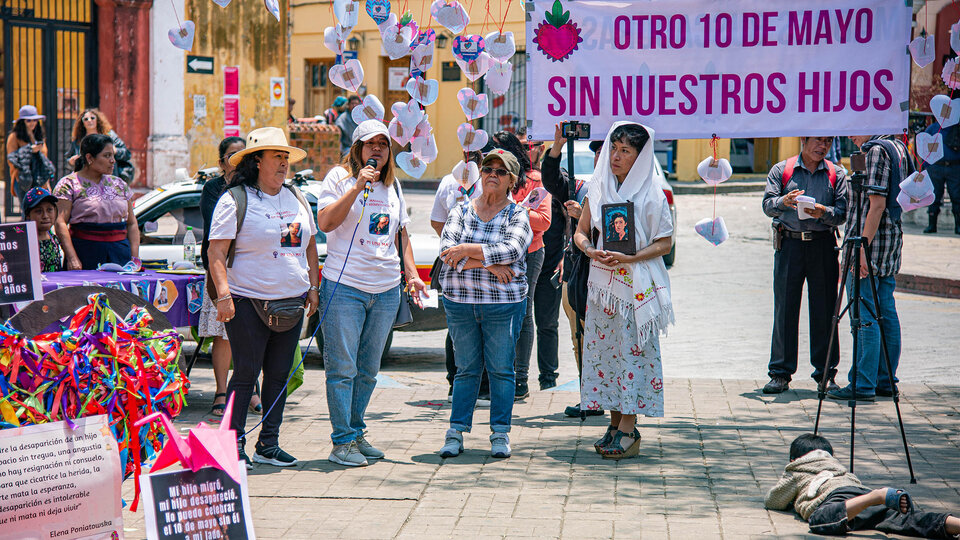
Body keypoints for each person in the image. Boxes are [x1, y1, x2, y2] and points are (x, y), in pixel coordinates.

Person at [316, 119, 427, 467]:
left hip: (385, 291)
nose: (377, 148)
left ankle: (355, 431)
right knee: (342, 368)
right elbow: (325, 223)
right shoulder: (339, 178)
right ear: (357, 149)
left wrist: (411, 275)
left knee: (367, 369)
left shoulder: (393, 187)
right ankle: (341, 443)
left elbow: (402, 235)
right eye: (369, 143)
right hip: (344, 287)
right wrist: (357, 187)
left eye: (383, 143)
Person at [207, 126, 320, 468]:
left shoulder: (297, 198)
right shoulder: (235, 200)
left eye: (286, 157)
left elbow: (310, 246)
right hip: (246, 302)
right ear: (257, 161)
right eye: (277, 157)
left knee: (279, 376)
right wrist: (223, 295)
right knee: (245, 374)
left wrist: (313, 287)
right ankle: (233, 445)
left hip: (291, 304)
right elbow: (215, 252)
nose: (284, 164)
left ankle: (268, 444)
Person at [572, 122, 674, 459]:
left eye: (625, 151)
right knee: (605, 354)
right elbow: (581, 232)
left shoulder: (652, 193)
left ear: (640, 156)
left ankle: (629, 426)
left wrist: (631, 257)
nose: (615, 156)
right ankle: (614, 423)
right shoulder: (597, 186)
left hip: (635, 289)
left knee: (631, 354)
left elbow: (664, 242)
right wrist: (589, 250)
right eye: (613, 148)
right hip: (602, 285)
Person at [437, 149, 532, 459]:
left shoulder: (517, 213)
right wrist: (489, 265)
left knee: (502, 370)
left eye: (501, 171)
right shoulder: (461, 209)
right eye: (488, 167)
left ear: (511, 181)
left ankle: (500, 433)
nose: (492, 173)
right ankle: (456, 432)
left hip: (502, 305)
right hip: (461, 303)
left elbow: (513, 251)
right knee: (465, 370)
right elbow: (447, 252)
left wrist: (467, 250)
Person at [761, 136, 848, 394]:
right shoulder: (782, 170)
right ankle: (780, 373)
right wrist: (783, 202)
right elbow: (767, 205)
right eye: (818, 141)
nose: (822, 147)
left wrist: (824, 212)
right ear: (803, 140)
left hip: (823, 245)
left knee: (824, 311)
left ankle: (825, 374)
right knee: (785, 308)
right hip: (790, 245)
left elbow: (842, 212)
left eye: (827, 142)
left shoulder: (836, 173)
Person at [826, 135, 909, 402]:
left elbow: (877, 204)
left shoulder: (875, 151)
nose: (850, 135)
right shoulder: (897, 146)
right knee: (885, 310)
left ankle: (863, 383)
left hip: (870, 246)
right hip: (889, 242)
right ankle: (885, 380)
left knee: (865, 315)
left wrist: (861, 247)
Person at [765, 433, 960, 538]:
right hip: (859, 496)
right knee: (913, 520)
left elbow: (774, 500)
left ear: (794, 458)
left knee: (820, 520)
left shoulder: (797, 468)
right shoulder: (838, 467)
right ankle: (956, 524)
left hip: (836, 497)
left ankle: (876, 496)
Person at [541, 127, 604, 417]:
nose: (606, 159)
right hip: (578, 271)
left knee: (607, 339)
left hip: (612, 274)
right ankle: (589, 396)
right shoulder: (582, 186)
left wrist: (586, 219)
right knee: (579, 338)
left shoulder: (632, 192)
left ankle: (611, 396)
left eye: (615, 153)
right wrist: (556, 147)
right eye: (601, 153)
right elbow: (552, 180)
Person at [199, 136, 262, 417]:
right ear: (222, 162)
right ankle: (221, 391)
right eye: (231, 156)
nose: (237, 161)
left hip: (251, 270)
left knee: (252, 336)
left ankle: (252, 392)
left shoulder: (255, 187)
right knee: (223, 335)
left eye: (242, 156)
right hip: (220, 271)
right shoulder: (214, 189)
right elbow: (221, 226)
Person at [492, 131, 551, 400]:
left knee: (524, 313)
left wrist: (515, 208)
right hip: (495, 255)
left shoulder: (536, 181)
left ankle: (521, 379)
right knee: (495, 312)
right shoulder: (487, 181)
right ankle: (496, 375)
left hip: (528, 253)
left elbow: (543, 221)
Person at [430, 150, 490, 403]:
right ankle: (480, 386)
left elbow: (436, 222)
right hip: (480, 264)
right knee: (482, 324)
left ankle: (456, 382)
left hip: (456, 261)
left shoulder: (446, 180)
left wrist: (452, 244)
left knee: (456, 324)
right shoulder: (487, 184)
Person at [53, 134, 139, 270]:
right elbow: (60, 222)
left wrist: (135, 259)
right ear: (89, 158)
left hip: (120, 254)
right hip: (86, 252)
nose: (113, 161)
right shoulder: (68, 184)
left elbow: (132, 223)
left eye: (113, 156)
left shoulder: (119, 184)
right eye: (107, 156)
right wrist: (72, 258)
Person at [521, 130, 564, 392]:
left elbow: (570, 219)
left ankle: (548, 379)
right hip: (523, 259)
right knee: (522, 319)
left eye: (531, 146)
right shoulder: (513, 180)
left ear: (541, 148)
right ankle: (518, 377)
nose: (527, 150)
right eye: (522, 146)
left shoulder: (555, 180)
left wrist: (563, 257)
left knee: (547, 322)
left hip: (551, 260)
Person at [65, 108, 134, 184]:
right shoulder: (78, 141)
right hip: (86, 181)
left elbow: (127, 153)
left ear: (97, 120)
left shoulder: (110, 136)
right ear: (82, 123)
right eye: (86, 119)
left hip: (109, 180)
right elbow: (68, 161)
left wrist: (115, 151)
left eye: (92, 118)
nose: (89, 120)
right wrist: (71, 162)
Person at [6, 105, 54, 207]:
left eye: (35, 120)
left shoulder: (39, 136)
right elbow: (11, 159)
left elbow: (44, 160)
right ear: (22, 122)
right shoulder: (14, 136)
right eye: (28, 120)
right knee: (27, 211)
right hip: (23, 180)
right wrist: (29, 150)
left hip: (40, 180)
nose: (32, 123)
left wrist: (47, 182)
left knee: (40, 210)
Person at [922, 120, 960, 235]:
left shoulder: (956, 128)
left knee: (957, 196)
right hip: (936, 166)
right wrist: (926, 166)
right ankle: (932, 225)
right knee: (934, 196)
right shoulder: (933, 128)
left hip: (954, 166)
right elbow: (924, 147)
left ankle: (958, 226)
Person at [21, 187, 63, 272]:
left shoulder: (54, 239)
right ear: (28, 215)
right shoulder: (24, 242)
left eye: (49, 210)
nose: (45, 216)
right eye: (39, 211)